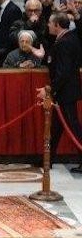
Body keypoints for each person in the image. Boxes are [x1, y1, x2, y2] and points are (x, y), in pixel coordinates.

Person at [37, 13, 82, 171]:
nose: (48, 25)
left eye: (50, 23)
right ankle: (48, 158)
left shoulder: (64, 42)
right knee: (55, 127)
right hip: (65, 91)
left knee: (72, 127)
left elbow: (63, 72)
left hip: (66, 92)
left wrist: (49, 90)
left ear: (57, 25)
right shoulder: (70, 38)